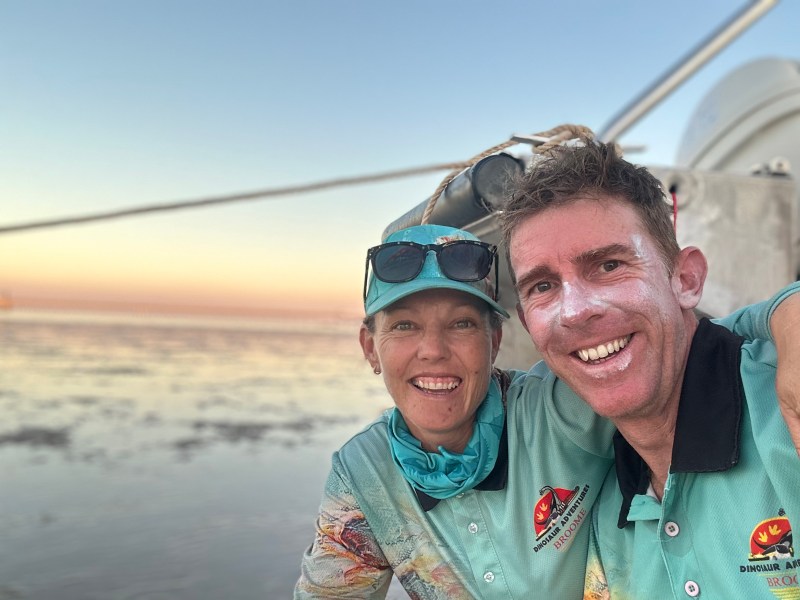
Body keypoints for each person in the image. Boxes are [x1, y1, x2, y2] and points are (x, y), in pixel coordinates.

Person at [294, 221, 800, 599]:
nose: (433, 351)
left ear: (495, 341)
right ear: (369, 347)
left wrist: (786, 313)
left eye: (462, 325)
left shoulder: (557, 407)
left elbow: (674, 342)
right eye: (403, 326)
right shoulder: (362, 474)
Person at [501, 139, 800, 599]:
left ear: (685, 280)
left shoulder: (786, 420)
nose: (575, 311)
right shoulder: (602, 510)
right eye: (543, 286)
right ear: (527, 324)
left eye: (609, 264)